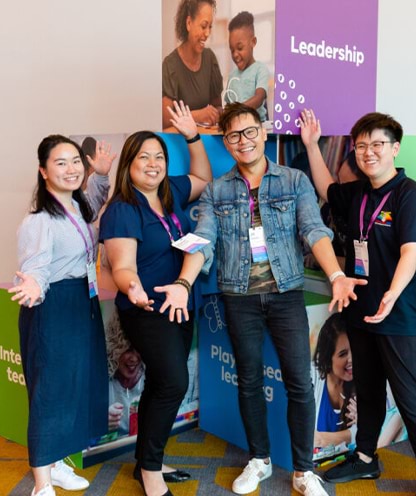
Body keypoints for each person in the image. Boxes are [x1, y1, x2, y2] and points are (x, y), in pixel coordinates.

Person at [156, 102, 365, 496]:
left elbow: (313, 229)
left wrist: (336, 274)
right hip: (239, 297)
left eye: (250, 131)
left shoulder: (294, 180)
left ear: (263, 133)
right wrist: (184, 282)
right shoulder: (217, 191)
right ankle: (260, 460)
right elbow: (202, 238)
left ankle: (303, 470)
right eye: (234, 135)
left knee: (300, 382)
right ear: (228, 143)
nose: (243, 141)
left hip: (286, 294)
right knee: (249, 381)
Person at [299, 109, 416, 496]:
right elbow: (326, 187)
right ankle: (366, 458)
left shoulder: (410, 196)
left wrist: (391, 295)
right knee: (367, 386)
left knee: (410, 396)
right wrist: (312, 145)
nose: (368, 152)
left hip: (398, 314)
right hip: (361, 308)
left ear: (394, 148)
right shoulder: (358, 192)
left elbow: (412, 254)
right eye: (361, 146)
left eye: (377, 144)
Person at [99, 102, 212, 496]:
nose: (153, 164)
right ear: (128, 164)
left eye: (159, 157)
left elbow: (201, 175)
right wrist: (131, 286)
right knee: (173, 382)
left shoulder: (170, 193)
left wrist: (192, 136)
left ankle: (148, 459)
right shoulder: (122, 209)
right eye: (143, 157)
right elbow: (122, 265)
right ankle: (150, 470)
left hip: (180, 303)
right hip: (147, 309)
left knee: (162, 382)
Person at [8, 135, 116, 496]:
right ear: (43, 171)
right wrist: (34, 286)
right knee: (50, 392)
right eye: (60, 163)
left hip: (80, 304)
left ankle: (57, 464)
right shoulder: (39, 220)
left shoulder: (75, 206)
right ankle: (42, 483)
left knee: (75, 386)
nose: (71, 169)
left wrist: (99, 175)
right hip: (52, 306)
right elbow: (35, 267)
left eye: (75, 162)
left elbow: (94, 203)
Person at [162, 0, 222, 128]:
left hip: (206, 139)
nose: (207, 34)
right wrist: (198, 115)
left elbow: (217, 107)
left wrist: (218, 114)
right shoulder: (170, 64)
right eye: (203, 26)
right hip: (179, 142)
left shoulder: (210, 59)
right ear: (189, 23)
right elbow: (166, 119)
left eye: (210, 27)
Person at [312, 313, 357, 454]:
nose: (351, 360)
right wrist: (352, 435)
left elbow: (382, 427)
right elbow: (306, 437)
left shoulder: (365, 376)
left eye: (354, 350)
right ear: (327, 357)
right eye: (343, 354)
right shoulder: (311, 375)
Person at [224, 11, 269, 122]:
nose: (235, 54)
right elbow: (228, 105)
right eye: (232, 49)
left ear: (253, 42)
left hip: (258, 127)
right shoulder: (232, 76)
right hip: (237, 128)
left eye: (239, 48)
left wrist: (236, 111)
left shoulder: (260, 69)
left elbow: (259, 98)